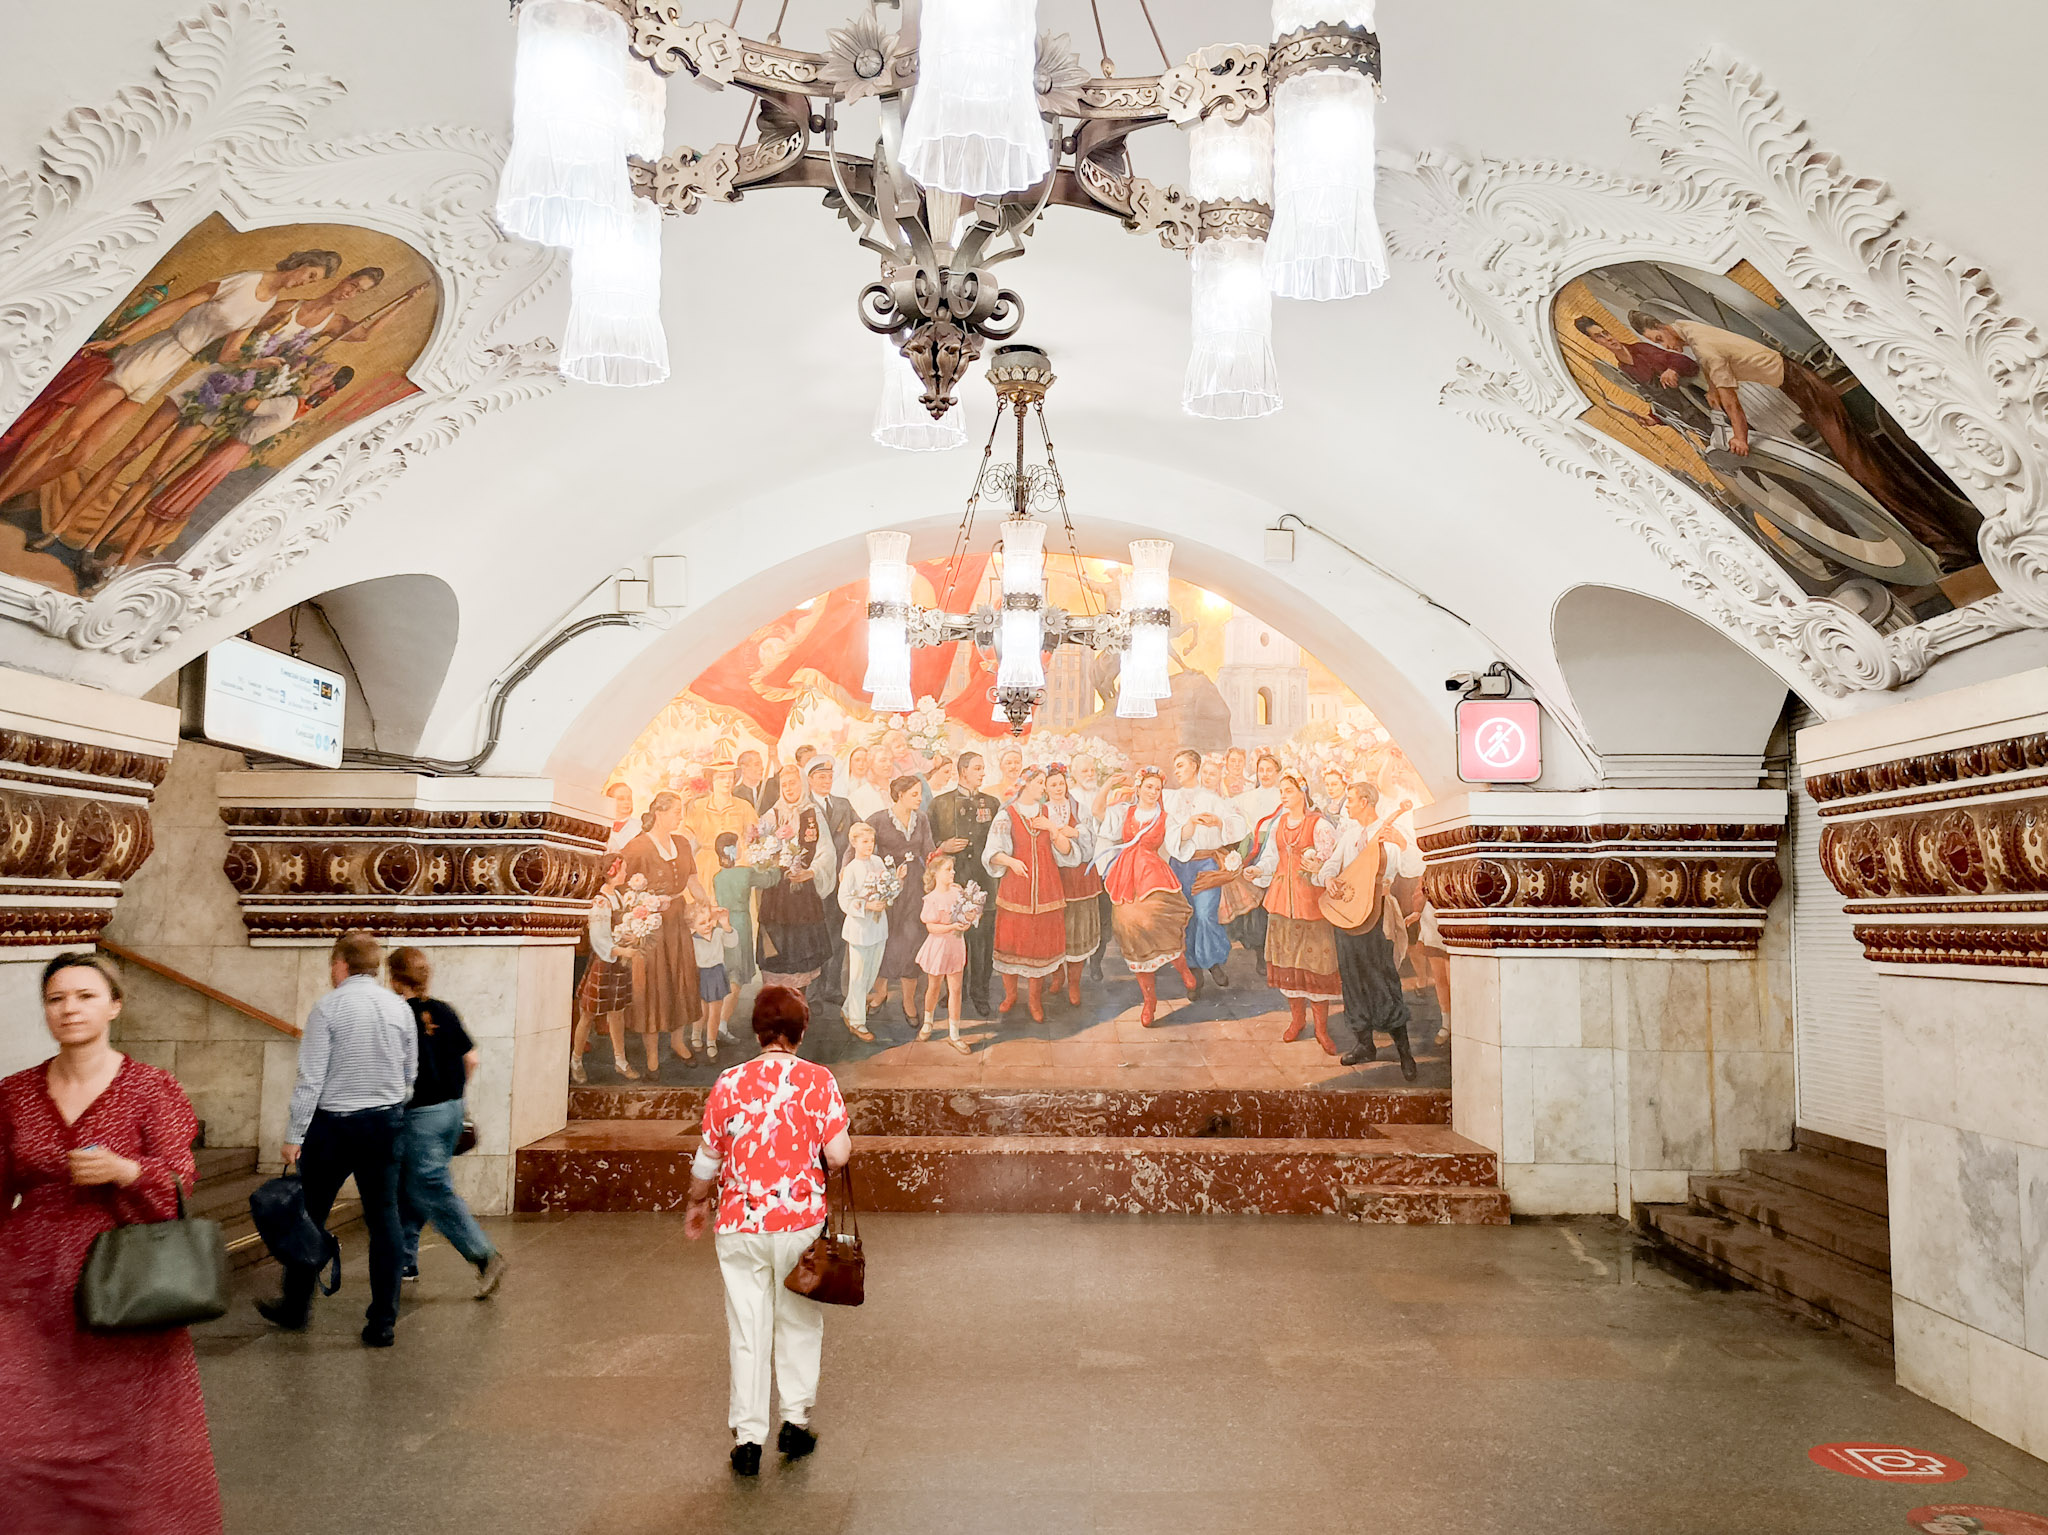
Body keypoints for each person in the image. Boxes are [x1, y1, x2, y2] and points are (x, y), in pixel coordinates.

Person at [0, 953, 222, 1535]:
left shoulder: (152, 1087)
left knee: (129, 1437)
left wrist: (126, 1172)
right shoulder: (15, 1093)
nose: (69, 1008)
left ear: (114, 1006)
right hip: (28, 1285)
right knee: (16, 1433)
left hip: (126, 1282)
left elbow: (179, 1181)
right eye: (56, 998)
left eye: (85, 996)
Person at [1630, 309, 1978, 569]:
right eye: (1657, 345)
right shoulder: (1689, 330)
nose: (1665, 346)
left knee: (1864, 473)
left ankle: (1948, 547)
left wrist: (1739, 438)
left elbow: (1732, 400)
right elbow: (1714, 368)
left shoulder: (1703, 348)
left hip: (1807, 391)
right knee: (1867, 467)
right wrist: (1712, 392)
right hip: (1803, 388)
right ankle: (1943, 540)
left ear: (1661, 327)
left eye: (1659, 340)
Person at [0, 249, 341, 505]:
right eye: (308, 274)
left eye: (312, 281)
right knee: (66, 437)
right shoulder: (247, 280)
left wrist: (260, 364)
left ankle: (8, 492)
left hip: (170, 367)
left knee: (80, 456)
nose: (304, 282)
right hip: (154, 351)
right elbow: (176, 305)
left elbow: (228, 354)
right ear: (298, 263)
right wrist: (120, 340)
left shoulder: (268, 305)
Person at [684, 987, 852, 1478]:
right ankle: (795, 1425)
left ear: (758, 1030)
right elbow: (839, 1155)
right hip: (799, 1225)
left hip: (739, 1222)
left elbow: (707, 1159)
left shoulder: (729, 1081)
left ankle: (748, 1439)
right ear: (801, 1031)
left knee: (747, 1327)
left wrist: (697, 1203)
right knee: (798, 1320)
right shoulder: (818, 1081)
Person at [261, 929, 416, 1347]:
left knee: (308, 1215)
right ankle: (383, 1321)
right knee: (384, 1220)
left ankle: (296, 1307)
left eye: (333, 964)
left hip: (332, 1127)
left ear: (341, 965)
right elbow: (409, 1076)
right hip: (384, 1124)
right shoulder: (400, 1009)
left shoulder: (328, 1009)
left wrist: (294, 1135)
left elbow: (311, 1078)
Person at [386, 948, 509, 1292]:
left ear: (394, 978)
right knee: (409, 1186)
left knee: (431, 1187)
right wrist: (452, 1093)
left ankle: (484, 1255)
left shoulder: (396, 1014)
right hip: (451, 1110)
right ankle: (405, 1259)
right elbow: (471, 1059)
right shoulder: (442, 1010)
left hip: (419, 1115)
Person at [1093, 766, 1201, 1026]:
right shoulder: (1124, 812)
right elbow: (1098, 812)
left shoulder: (1165, 817)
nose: (1154, 792)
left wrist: (1192, 824)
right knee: (1129, 930)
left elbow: (1179, 837)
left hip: (1153, 875)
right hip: (1125, 876)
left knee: (1158, 926)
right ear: (1139, 788)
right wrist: (1107, 785)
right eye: (1149, 787)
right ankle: (1149, 1001)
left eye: (1158, 788)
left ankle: (1184, 970)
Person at [1323, 785, 1419, 1078]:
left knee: (1382, 979)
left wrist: (1403, 844)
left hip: (1377, 912)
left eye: (1350, 801)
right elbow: (1330, 866)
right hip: (1348, 913)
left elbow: (1414, 867)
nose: (1346, 806)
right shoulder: (1350, 835)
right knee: (1352, 978)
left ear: (1365, 802)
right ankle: (1364, 1044)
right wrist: (1328, 879)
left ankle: (1405, 1052)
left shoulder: (1391, 831)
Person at [1250, 775, 1343, 1055]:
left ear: (1303, 792)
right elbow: (1270, 858)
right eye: (1281, 791)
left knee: (1317, 966)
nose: (1283, 795)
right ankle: (1297, 1020)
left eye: (1288, 791)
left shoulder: (1320, 825)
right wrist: (1258, 870)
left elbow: (1333, 861)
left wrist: (1318, 866)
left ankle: (1321, 1029)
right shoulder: (1277, 824)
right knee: (1288, 963)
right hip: (1280, 902)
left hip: (1311, 905)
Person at [621, 791, 709, 1072]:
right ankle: (651, 1054)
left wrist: (707, 903)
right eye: (675, 811)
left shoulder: (682, 843)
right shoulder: (637, 847)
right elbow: (623, 886)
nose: (680, 817)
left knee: (680, 978)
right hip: (651, 925)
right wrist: (640, 910)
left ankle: (677, 1042)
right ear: (659, 813)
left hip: (678, 920)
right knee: (654, 984)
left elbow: (693, 880)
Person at [984, 767, 1073, 1021]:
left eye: (1045, 783)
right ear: (1026, 784)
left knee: (1040, 946)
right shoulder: (1006, 815)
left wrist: (1053, 830)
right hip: (1016, 889)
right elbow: (992, 852)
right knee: (1011, 941)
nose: (1044, 788)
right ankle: (1011, 995)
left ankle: (1035, 1000)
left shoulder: (1049, 812)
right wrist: (1011, 862)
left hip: (1047, 889)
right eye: (1040, 783)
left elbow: (1066, 850)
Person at [1165, 748, 1246, 992]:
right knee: (1186, 917)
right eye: (1175, 766)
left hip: (1207, 865)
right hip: (1180, 866)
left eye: (1181, 765)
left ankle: (1212, 961)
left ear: (1194, 766)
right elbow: (1169, 834)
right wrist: (1189, 825)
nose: (1177, 770)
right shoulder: (1172, 799)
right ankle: (1193, 969)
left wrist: (1219, 822)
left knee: (1205, 915)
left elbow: (1238, 824)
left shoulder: (1211, 798)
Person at [927, 749, 999, 1017]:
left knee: (981, 941)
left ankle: (980, 993)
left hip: (984, 882)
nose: (982, 772)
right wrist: (942, 845)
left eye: (983, 768)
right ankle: (953, 990)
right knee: (954, 938)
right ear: (963, 770)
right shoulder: (939, 804)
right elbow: (928, 839)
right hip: (952, 883)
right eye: (978, 768)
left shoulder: (992, 803)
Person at [757, 764, 836, 994]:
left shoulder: (813, 813)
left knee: (800, 952)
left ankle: (798, 1008)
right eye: (785, 784)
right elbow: (757, 844)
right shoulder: (773, 813)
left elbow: (827, 851)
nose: (789, 788)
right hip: (776, 896)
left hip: (802, 895)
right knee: (776, 950)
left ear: (802, 784)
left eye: (793, 783)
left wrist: (809, 872)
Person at [867, 775, 935, 1025]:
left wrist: (939, 872)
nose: (919, 798)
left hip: (915, 887)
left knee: (912, 939)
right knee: (884, 939)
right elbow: (857, 850)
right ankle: (880, 992)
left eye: (920, 793)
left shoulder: (923, 819)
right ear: (899, 795)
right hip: (886, 887)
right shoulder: (877, 820)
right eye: (914, 794)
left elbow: (929, 850)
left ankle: (908, 1000)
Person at [572, 855, 641, 1082]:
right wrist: (621, 951)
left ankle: (620, 1061)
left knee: (617, 1013)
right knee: (589, 1014)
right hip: (604, 963)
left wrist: (631, 938)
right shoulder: (600, 901)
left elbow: (619, 929)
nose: (626, 873)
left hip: (617, 965)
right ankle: (576, 1060)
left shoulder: (619, 896)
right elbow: (599, 939)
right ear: (611, 872)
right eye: (623, 870)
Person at [1042, 764, 1100, 1007]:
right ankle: (1058, 976)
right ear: (1045, 787)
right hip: (1052, 879)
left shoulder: (1079, 808)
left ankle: (1074, 983)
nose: (1058, 788)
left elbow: (1093, 837)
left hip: (1079, 880)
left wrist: (1075, 833)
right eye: (1053, 784)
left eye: (1061, 784)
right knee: (1054, 931)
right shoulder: (1040, 811)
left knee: (1078, 930)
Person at [710, 829, 780, 1031]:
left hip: (722, 922)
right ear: (732, 850)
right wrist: (776, 865)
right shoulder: (745, 873)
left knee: (727, 969)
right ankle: (721, 1024)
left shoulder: (718, 877)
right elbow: (768, 880)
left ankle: (718, 1022)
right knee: (736, 976)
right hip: (739, 923)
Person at [806, 757, 858, 1009]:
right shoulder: (803, 807)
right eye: (820, 777)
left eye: (829, 776)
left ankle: (832, 988)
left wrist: (850, 862)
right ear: (810, 779)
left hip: (840, 881)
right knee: (815, 937)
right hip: (813, 885)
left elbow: (860, 832)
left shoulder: (844, 805)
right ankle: (812, 993)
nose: (826, 781)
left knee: (837, 936)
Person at [836, 820, 891, 1042]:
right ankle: (858, 1022)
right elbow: (844, 899)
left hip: (878, 927)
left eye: (872, 841)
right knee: (858, 976)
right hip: (859, 929)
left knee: (870, 975)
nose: (869, 845)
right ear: (854, 843)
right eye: (865, 841)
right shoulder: (851, 868)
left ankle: (849, 1008)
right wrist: (867, 906)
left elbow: (888, 887)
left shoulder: (878, 862)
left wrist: (889, 894)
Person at [916, 853, 974, 1053]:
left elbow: (966, 913)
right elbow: (931, 927)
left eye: (953, 869)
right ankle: (928, 1022)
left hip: (955, 945)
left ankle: (954, 1034)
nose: (953, 873)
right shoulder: (931, 898)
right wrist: (951, 927)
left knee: (956, 990)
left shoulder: (958, 892)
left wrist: (967, 920)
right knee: (934, 986)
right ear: (936, 873)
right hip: (939, 947)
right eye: (948, 870)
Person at [683, 759, 761, 895]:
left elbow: (755, 837)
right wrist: (681, 805)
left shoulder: (744, 806)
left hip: (736, 865)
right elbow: (685, 834)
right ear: (711, 780)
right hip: (706, 866)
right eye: (722, 777)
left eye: (730, 777)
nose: (727, 781)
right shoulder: (698, 806)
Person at [691, 905, 738, 1059]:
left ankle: (711, 1041)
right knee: (702, 1010)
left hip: (716, 973)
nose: (707, 925)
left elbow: (732, 943)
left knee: (715, 1011)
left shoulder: (718, 933)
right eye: (702, 923)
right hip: (701, 974)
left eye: (710, 920)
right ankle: (696, 1034)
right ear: (693, 925)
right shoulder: (692, 939)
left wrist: (725, 923)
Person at [603, 782, 638, 855]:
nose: (627, 802)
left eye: (629, 798)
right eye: (621, 799)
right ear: (610, 801)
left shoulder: (640, 828)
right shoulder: (601, 825)